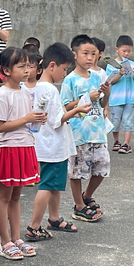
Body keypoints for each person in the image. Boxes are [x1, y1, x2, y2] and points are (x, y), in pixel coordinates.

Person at [27, 43, 89, 240]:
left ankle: (53, 218)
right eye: (64, 69)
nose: (64, 73)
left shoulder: (38, 87)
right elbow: (56, 120)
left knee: (54, 184)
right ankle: (34, 226)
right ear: (52, 65)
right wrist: (77, 109)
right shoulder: (50, 90)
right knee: (47, 185)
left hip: (45, 144)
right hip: (52, 146)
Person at [0, 47, 44, 260]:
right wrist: (27, 119)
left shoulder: (24, 92)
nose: (27, 70)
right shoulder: (2, 94)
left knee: (16, 197)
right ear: (6, 71)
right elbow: (0, 127)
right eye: (21, 66)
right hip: (9, 148)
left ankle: (17, 238)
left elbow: (25, 121)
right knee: (4, 197)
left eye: (29, 66)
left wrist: (37, 120)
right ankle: (5, 242)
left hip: (25, 146)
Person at [61, 34, 111, 223]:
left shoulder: (98, 76)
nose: (90, 58)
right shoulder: (70, 80)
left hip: (98, 131)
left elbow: (103, 103)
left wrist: (106, 94)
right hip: (79, 132)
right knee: (77, 171)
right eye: (85, 54)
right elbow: (64, 107)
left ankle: (87, 196)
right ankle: (79, 206)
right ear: (75, 55)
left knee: (102, 167)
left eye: (93, 54)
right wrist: (85, 99)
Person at [107, 35, 134, 154]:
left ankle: (127, 143)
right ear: (117, 49)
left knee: (128, 120)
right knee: (115, 121)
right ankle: (116, 141)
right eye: (124, 51)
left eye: (129, 51)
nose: (126, 53)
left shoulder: (132, 64)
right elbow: (110, 81)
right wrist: (120, 74)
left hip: (130, 98)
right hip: (116, 98)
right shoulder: (111, 65)